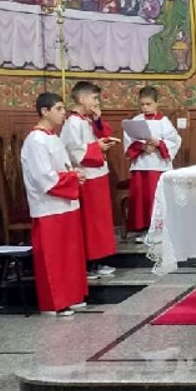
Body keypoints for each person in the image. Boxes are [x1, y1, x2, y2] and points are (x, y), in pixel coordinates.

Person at [20, 93, 89, 315]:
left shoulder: (53, 137)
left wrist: (73, 173)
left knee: (69, 254)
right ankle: (54, 303)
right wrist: (71, 179)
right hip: (48, 205)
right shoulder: (35, 140)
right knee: (53, 256)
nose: (63, 113)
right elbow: (44, 178)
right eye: (58, 109)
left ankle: (72, 295)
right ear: (44, 111)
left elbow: (62, 167)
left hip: (65, 203)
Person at [62, 81, 122, 278]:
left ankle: (100, 259)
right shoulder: (73, 123)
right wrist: (98, 148)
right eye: (94, 98)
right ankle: (90, 262)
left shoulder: (87, 120)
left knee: (100, 221)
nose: (97, 102)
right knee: (91, 223)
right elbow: (74, 152)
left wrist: (98, 121)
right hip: (86, 178)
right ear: (81, 99)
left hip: (98, 176)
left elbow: (102, 133)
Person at [125, 87, 181, 238]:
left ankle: (159, 229)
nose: (145, 108)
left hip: (158, 166)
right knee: (140, 199)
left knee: (155, 198)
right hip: (141, 165)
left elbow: (175, 141)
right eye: (142, 104)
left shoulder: (164, 122)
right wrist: (143, 147)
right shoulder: (136, 121)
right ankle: (141, 228)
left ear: (157, 103)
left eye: (148, 104)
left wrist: (159, 143)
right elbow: (129, 141)